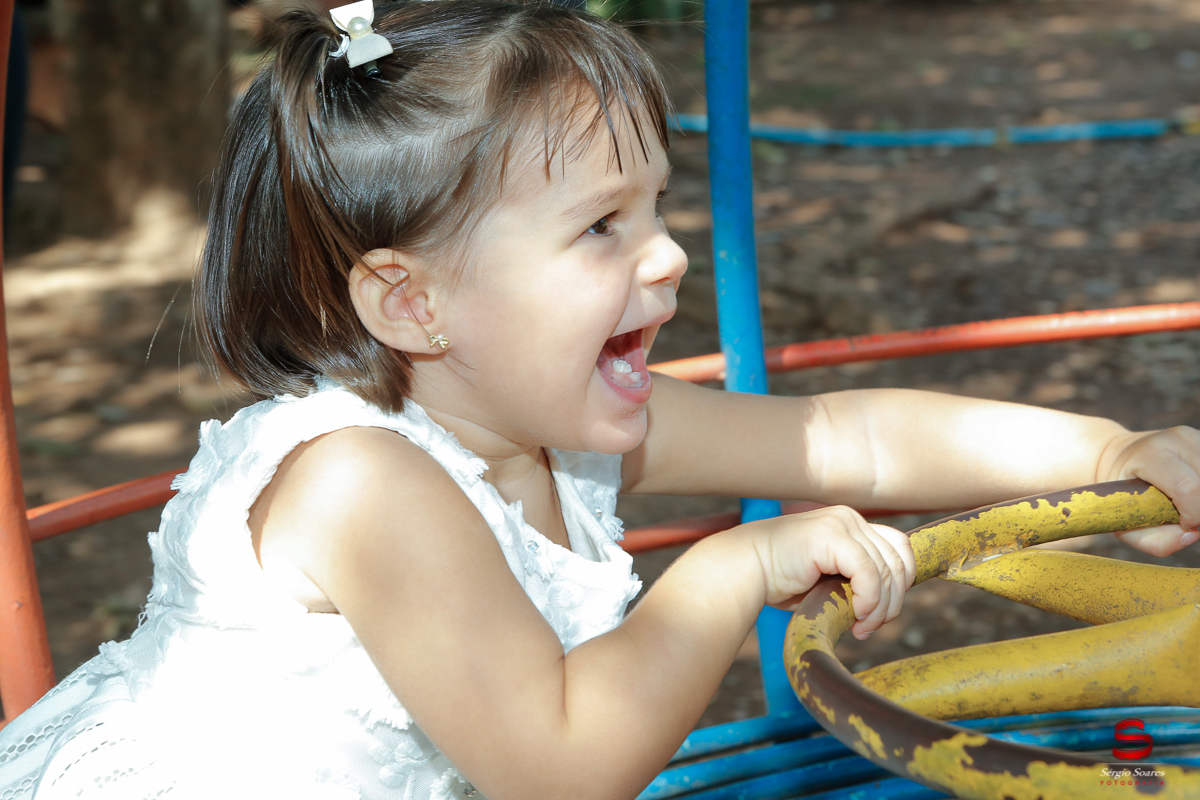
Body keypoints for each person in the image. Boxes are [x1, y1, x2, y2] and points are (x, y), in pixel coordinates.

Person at [2, 1, 1199, 798]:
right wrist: (732, 569)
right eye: (600, 228)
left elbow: (848, 436)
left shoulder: (546, 424)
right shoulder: (363, 485)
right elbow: (563, 765)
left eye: (656, 206)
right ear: (413, 303)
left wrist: (1106, 450)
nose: (668, 255)